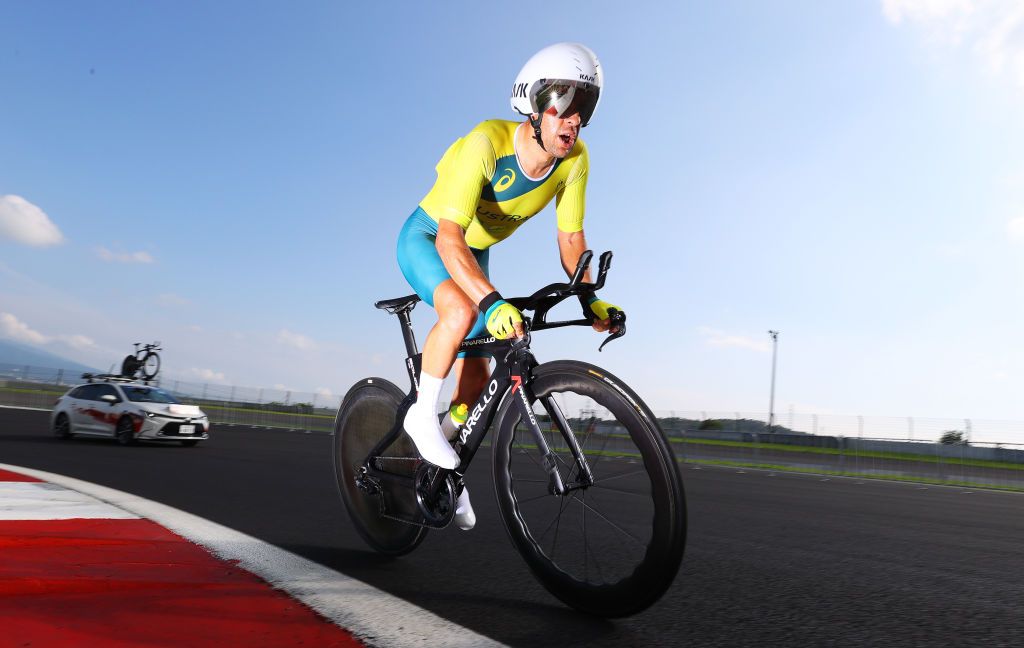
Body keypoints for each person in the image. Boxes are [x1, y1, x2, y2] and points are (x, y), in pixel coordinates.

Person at [395, 42, 622, 530]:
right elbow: (451, 239)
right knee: (459, 312)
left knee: (476, 378)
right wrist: (491, 300)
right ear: (534, 105)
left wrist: (590, 297)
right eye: (563, 105)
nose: (573, 121)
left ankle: (440, 466)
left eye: (584, 108)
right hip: (431, 236)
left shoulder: (575, 160)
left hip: (473, 251)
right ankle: (420, 416)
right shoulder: (485, 143)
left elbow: (571, 240)